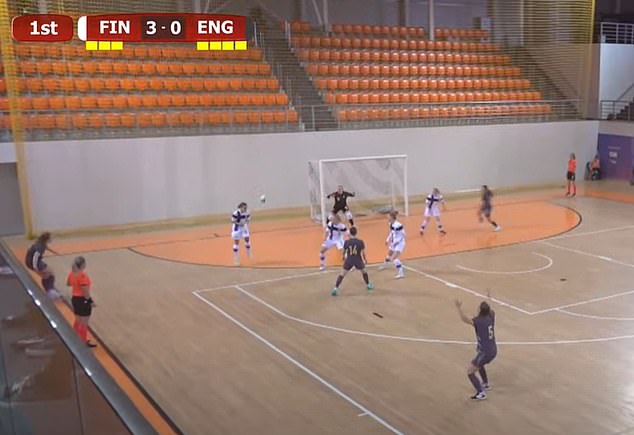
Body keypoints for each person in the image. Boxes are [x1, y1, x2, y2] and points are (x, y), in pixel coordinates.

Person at [454, 296, 497, 401]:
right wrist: (489, 297)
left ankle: (481, 392)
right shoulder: (491, 316)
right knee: (480, 364)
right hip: (493, 349)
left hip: (485, 352)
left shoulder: (478, 321)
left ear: (480, 311)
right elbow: (490, 309)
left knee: (470, 372)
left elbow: (464, 319)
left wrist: (459, 308)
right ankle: (486, 384)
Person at [331, 226, 373, 296]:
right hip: (358, 260)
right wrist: (365, 260)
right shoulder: (360, 242)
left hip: (349, 260)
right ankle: (368, 285)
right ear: (356, 233)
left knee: (342, 274)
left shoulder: (347, 242)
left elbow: (344, 252)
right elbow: (363, 253)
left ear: (350, 233)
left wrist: (343, 258)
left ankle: (335, 288)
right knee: (364, 272)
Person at [67, 256, 97, 348]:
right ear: (83, 265)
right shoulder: (83, 276)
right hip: (82, 300)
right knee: (84, 323)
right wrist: (90, 301)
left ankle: (74, 338)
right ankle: (83, 343)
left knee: (78, 320)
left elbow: (68, 283)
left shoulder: (72, 274)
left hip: (75, 299)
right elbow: (85, 291)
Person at [25, 232, 60, 300]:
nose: (52, 239)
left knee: (48, 273)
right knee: (48, 274)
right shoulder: (40, 247)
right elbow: (35, 257)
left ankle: (50, 290)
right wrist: (35, 267)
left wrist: (54, 252)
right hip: (33, 262)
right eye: (51, 238)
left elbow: (45, 247)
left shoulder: (41, 243)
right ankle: (50, 291)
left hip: (33, 261)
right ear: (47, 239)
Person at [379, 210, 405, 278]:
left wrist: (397, 242)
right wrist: (388, 240)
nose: (387, 217)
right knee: (389, 253)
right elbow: (392, 233)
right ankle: (386, 264)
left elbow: (403, 234)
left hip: (400, 243)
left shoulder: (398, 225)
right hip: (394, 242)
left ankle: (401, 272)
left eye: (388, 216)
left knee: (394, 258)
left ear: (392, 217)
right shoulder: (390, 224)